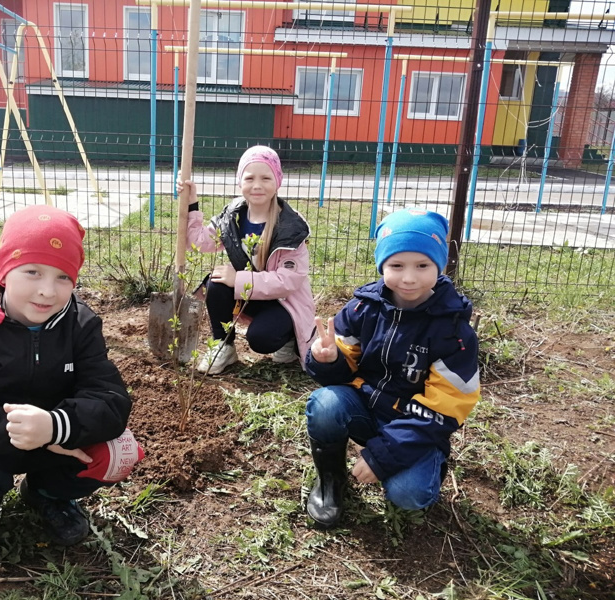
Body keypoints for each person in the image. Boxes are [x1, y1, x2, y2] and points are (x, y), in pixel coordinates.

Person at [0, 205, 142, 567]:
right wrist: (23, 431)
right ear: (5, 269)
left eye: (63, 277)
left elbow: (111, 400)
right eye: (32, 271)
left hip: (55, 438)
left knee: (118, 450)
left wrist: (54, 427)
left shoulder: (80, 324)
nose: (47, 291)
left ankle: (46, 494)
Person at [304, 208, 480, 528]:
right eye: (396, 265)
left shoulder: (454, 332)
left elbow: (444, 409)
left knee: (408, 494)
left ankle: (426, 463)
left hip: (418, 426)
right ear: (382, 264)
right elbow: (343, 371)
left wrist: (381, 457)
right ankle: (331, 481)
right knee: (326, 403)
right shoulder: (362, 308)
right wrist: (328, 359)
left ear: (439, 266)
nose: (409, 277)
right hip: (367, 407)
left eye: (422, 265)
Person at [178, 145, 316, 375]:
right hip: (254, 294)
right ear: (240, 182)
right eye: (249, 178)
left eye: (266, 178)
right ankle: (223, 346)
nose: (257, 185)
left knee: (261, 339)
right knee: (216, 283)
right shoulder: (233, 216)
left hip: (284, 303)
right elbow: (199, 242)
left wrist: (238, 279)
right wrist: (191, 203)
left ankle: (288, 339)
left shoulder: (291, 227)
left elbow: (288, 281)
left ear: (277, 182)